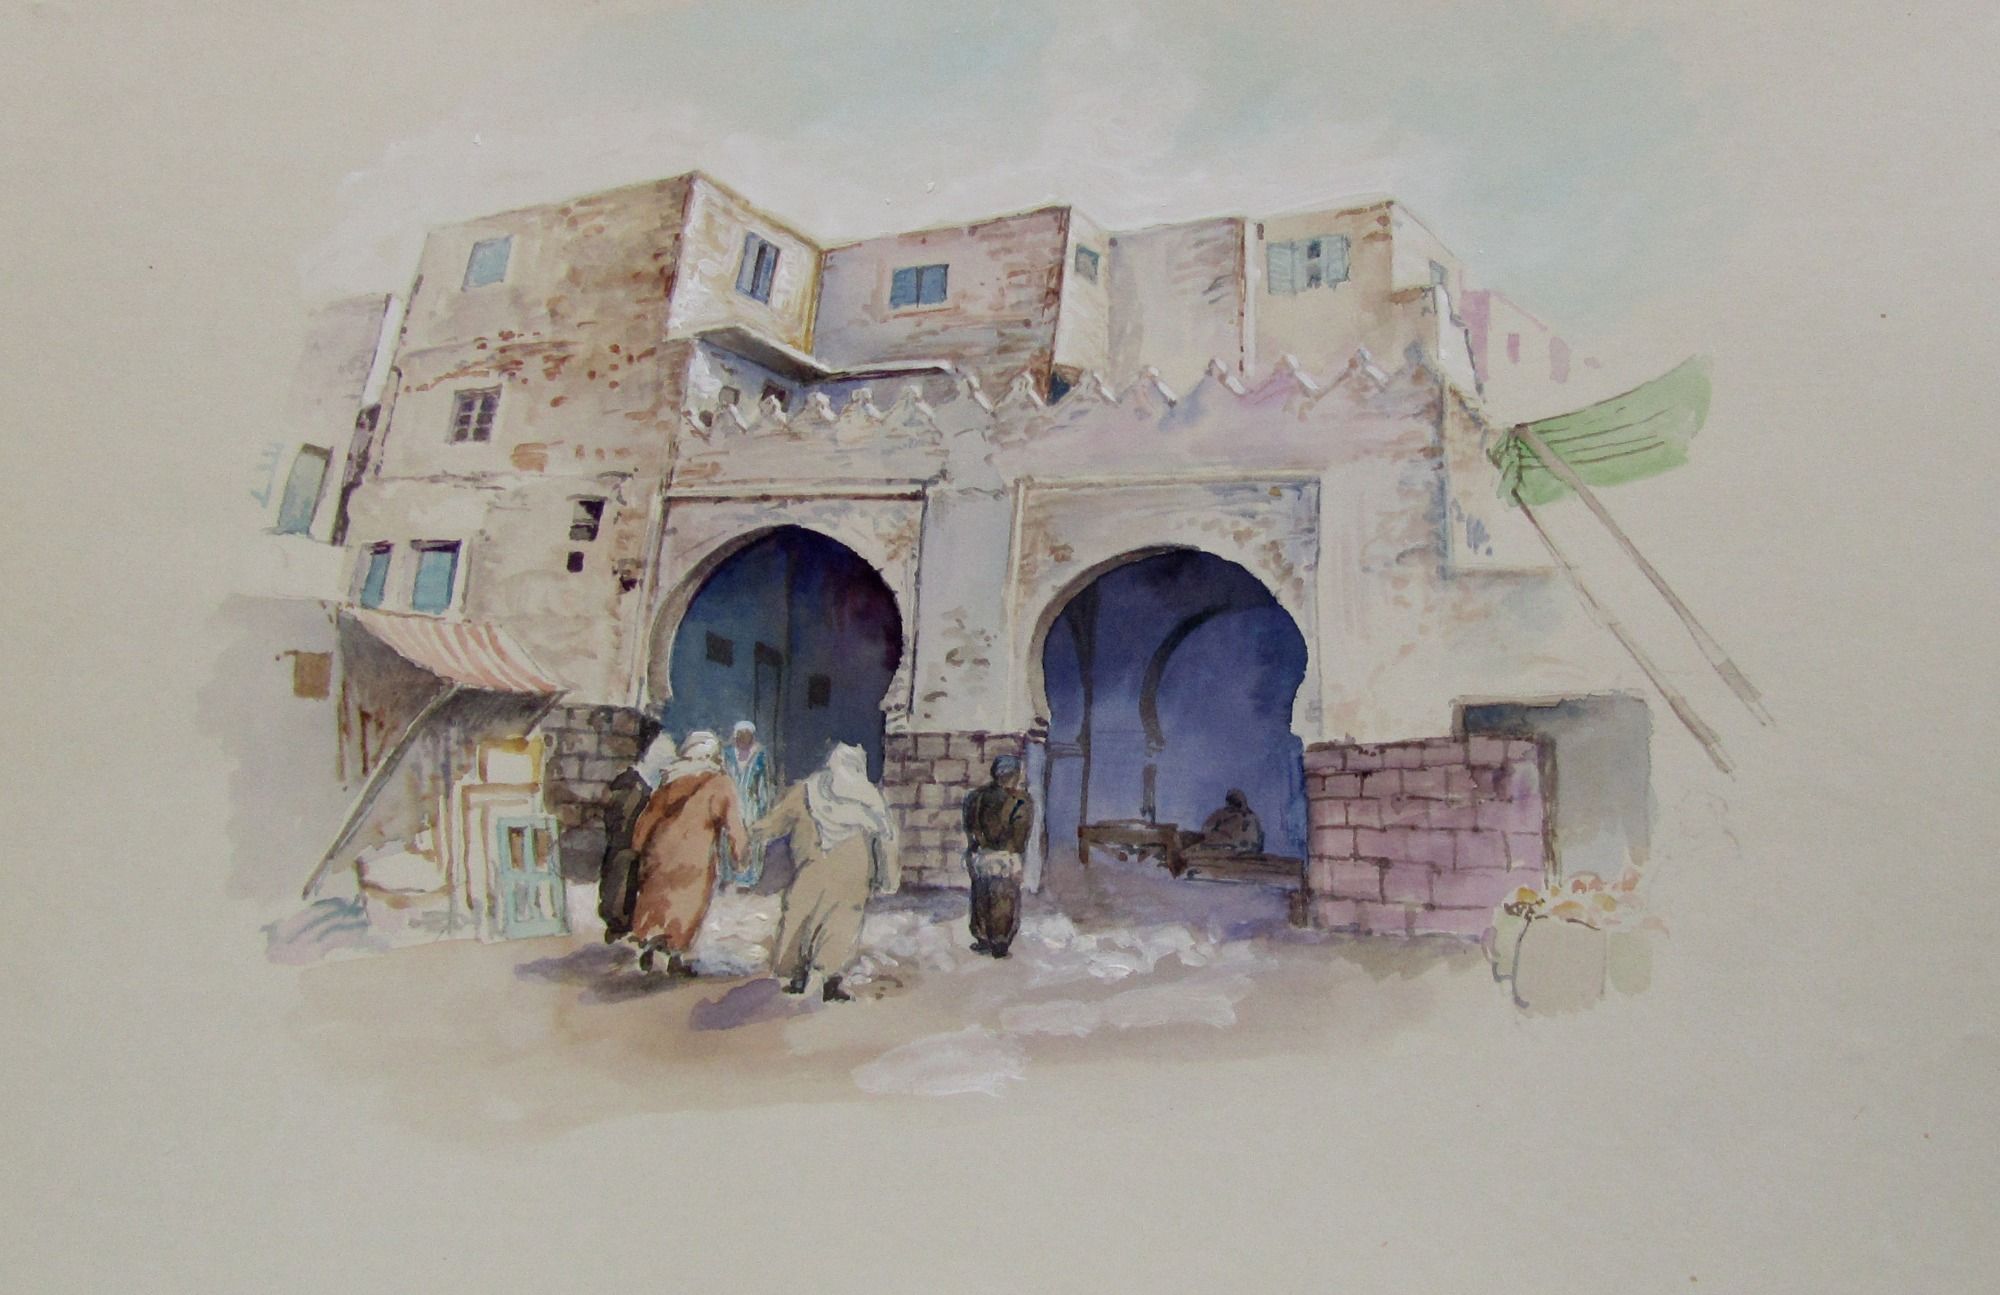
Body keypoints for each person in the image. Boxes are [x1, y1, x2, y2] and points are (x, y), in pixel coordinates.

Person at [755, 743, 898, 1002]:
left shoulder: (809, 790)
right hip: (853, 874)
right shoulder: (869, 797)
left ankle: (799, 975)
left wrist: (755, 832)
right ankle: (828, 977)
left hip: (816, 866)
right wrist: (887, 878)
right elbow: (886, 841)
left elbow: (777, 821)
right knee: (840, 924)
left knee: (801, 918)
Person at [627, 731, 745, 975]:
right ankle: (675, 954)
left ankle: (651, 940)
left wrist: (638, 845)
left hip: (660, 849)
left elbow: (650, 816)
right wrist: (739, 852)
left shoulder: (671, 779)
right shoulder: (720, 783)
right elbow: (733, 822)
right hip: (695, 855)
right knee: (687, 903)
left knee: (656, 896)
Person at [597, 730, 675, 944]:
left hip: (626, 847)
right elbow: (622, 820)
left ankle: (620, 925)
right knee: (620, 884)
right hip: (626, 847)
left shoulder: (637, 784)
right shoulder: (633, 786)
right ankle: (618, 926)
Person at [961, 755, 1034, 958]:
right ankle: (1000, 941)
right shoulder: (1021, 800)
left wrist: (977, 846)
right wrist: (1014, 853)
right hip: (1006, 857)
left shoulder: (976, 797)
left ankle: (982, 937)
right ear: (1014, 774)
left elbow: (970, 826)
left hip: (981, 855)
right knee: (1004, 900)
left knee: (981, 896)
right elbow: (1021, 832)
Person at [719, 721, 776, 889]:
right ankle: (728, 875)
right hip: (730, 803)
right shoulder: (726, 754)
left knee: (751, 839)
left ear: (752, 736)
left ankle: (748, 879)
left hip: (752, 806)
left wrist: (765, 808)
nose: (743, 738)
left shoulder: (760, 755)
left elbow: (765, 784)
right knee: (728, 838)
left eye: (747, 735)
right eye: (740, 735)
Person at [1192, 789, 1263, 854]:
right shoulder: (1253, 816)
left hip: (1232, 846)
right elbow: (1206, 828)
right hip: (1248, 847)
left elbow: (1206, 828)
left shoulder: (1225, 813)